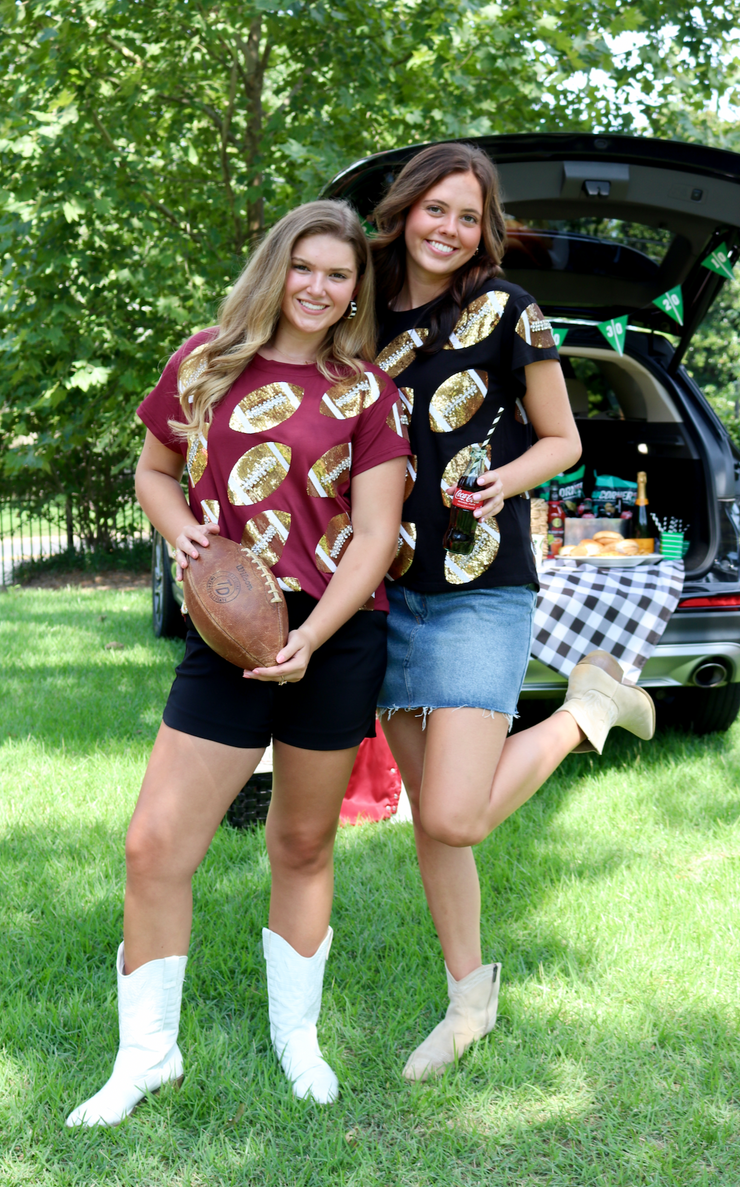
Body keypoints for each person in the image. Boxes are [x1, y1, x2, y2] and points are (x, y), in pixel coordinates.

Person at [65, 200, 411, 1126]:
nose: (320, 286)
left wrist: (312, 637)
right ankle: (147, 1056)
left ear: (353, 292)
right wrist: (187, 541)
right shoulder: (206, 358)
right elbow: (154, 473)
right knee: (155, 844)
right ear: (277, 267)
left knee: (301, 841)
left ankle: (297, 1036)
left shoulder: (370, 392)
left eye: (339, 275)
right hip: (226, 628)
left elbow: (377, 534)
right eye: (305, 266)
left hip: (334, 633)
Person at [370, 143, 655, 1080]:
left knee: (456, 815)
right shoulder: (363, 303)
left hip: (480, 585)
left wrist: (504, 480)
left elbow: (563, 440)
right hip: (383, 589)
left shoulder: (510, 311)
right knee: (427, 817)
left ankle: (585, 709)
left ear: (484, 228)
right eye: (435, 210)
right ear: (405, 208)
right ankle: (468, 1001)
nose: (448, 229)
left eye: (467, 215)